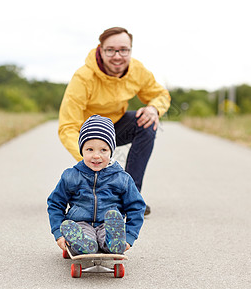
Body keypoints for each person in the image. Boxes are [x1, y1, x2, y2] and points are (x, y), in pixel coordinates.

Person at [58, 27, 171, 216]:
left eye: (123, 50)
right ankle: (91, 195)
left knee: (148, 122)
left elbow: (160, 94)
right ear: (100, 50)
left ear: (130, 50)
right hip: (90, 132)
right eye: (110, 50)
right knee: (94, 174)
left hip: (117, 125)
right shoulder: (83, 77)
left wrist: (154, 108)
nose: (117, 56)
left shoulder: (137, 70)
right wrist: (90, 158)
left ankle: (130, 195)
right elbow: (67, 126)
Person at [47, 115, 146, 254]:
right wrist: (58, 232)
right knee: (82, 234)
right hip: (80, 223)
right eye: (90, 149)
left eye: (103, 150)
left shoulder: (122, 178)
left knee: (109, 235)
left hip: (108, 224)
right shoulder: (71, 176)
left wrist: (129, 236)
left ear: (111, 151)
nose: (96, 156)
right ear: (81, 150)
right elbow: (55, 204)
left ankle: (114, 241)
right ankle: (82, 243)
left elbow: (136, 207)